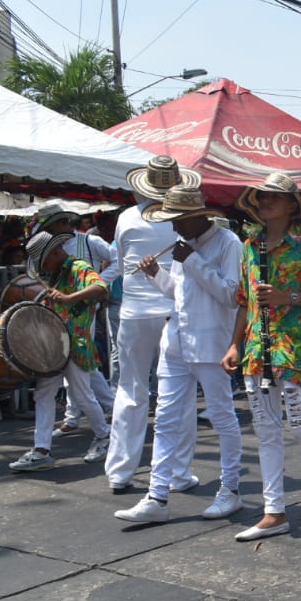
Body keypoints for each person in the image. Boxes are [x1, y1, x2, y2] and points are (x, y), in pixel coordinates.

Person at [222, 172, 301, 541]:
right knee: (266, 431)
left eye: (274, 196)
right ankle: (274, 511)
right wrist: (234, 344)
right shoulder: (250, 245)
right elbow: (245, 301)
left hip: (296, 346)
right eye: (262, 196)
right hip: (257, 348)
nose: (265, 201)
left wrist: (286, 298)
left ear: (293, 205)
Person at [113, 186, 244, 525]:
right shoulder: (185, 244)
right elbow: (180, 293)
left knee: (222, 417)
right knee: (166, 419)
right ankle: (157, 495)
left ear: (197, 217)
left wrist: (193, 261)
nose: (173, 228)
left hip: (211, 344)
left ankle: (230, 489)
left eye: (178, 221)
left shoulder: (228, 243)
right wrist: (156, 275)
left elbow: (231, 295)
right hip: (176, 341)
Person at [106, 156, 202, 492]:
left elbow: (121, 264)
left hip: (134, 312)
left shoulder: (126, 218)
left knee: (130, 390)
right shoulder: (186, 219)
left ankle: (120, 471)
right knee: (178, 395)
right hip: (173, 310)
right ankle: (178, 472)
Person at [8, 231, 111, 471]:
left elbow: (101, 287)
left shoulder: (78, 267)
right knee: (43, 393)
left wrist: (69, 298)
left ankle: (104, 436)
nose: (42, 267)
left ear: (55, 253)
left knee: (82, 394)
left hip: (75, 343)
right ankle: (41, 450)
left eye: (43, 261)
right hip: (53, 344)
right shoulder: (53, 273)